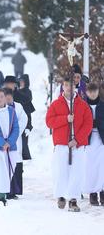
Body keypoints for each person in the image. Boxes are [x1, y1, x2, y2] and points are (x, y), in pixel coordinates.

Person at [46, 77, 93, 212]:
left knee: (76, 172)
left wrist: (77, 140)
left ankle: (73, 199)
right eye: (66, 85)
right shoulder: (56, 104)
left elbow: (88, 124)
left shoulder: (83, 105)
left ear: (75, 87)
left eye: (71, 85)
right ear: (63, 86)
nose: (68, 88)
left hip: (77, 144)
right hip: (61, 143)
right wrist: (65, 119)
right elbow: (49, 122)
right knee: (61, 170)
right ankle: (60, 195)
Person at [3, 88, 28, 199]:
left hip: (16, 139)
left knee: (16, 164)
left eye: (10, 98)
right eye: (6, 98)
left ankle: (14, 191)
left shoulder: (18, 106)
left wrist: (16, 131)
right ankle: (5, 190)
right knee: (5, 165)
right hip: (4, 140)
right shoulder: (0, 107)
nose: (8, 100)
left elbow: (24, 119)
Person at [4, 75, 35, 160]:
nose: (8, 86)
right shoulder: (0, 97)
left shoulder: (22, 97)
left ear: (14, 84)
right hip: (5, 129)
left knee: (20, 151)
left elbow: (28, 114)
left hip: (21, 128)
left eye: (10, 84)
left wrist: (28, 127)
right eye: (6, 84)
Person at [83, 82, 104, 206]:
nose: (92, 93)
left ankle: (102, 191)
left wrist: (99, 124)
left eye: (94, 91)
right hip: (88, 140)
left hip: (101, 139)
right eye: (90, 91)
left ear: (98, 91)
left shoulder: (102, 105)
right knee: (91, 168)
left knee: (102, 167)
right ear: (86, 92)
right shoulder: (83, 106)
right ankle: (93, 193)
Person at [19, 74, 35, 160]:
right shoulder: (17, 90)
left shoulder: (27, 91)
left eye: (22, 81)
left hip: (26, 115)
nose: (20, 83)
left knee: (24, 139)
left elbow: (28, 99)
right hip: (19, 116)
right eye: (20, 81)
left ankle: (26, 156)